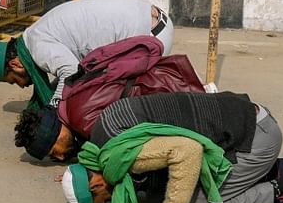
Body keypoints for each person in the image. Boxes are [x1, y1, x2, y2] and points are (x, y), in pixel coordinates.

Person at [59, 91, 283, 203]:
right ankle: (270, 171)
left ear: (95, 185)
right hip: (251, 122)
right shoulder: (102, 135)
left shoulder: (123, 158)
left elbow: (187, 150)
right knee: (160, 194)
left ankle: (278, 195)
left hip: (255, 142)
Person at [14, 36, 208, 162]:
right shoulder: (68, 96)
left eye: (53, 150)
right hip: (170, 74)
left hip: (175, 91)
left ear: (57, 133)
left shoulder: (84, 121)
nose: (60, 157)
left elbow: (121, 152)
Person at [0, 0, 174, 108]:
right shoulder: (34, 34)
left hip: (151, 38)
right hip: (156, 20)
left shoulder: (37, 47)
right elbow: (72, 73)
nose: (22, 86)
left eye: (14, 81)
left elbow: (70, 71)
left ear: (15, 64)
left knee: (102, 100)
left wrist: (54, 107)